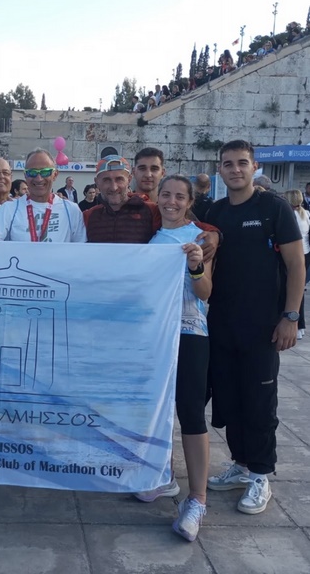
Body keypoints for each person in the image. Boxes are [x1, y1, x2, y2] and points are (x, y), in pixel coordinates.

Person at [206, 140, 305, 515]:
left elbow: (296, 265)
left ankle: (261, 474)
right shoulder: (215, 211)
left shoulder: (273, 208)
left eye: (242, 163)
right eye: (228, 164)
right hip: (221, 323)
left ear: (254, 167)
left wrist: (291, 316)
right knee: (230, 399)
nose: (235, 169)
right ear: (220, 170)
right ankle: (242, 465)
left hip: (263, 326)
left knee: (260, 402)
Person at [136, 175, 213, 542]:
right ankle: (163, 477)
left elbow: (205, 291)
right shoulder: (153, 238)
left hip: (191, 333)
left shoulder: (199, 237)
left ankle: (197, 500)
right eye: (165, 195)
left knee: (191, 413)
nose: (171, 201)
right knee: (159, 407)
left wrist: (196, 265)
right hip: (157, 335)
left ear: (189, 201)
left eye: (179, 196)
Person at [84, 154, 219, 261]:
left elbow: (187, 224)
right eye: (106, 180)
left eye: (119, 179)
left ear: (129, 180)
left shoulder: (150, 210)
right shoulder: (89, 216)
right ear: (97, 183)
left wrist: (214, 234)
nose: (114, 187)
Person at [0, 148, 86, 243]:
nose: (39, 178)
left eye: (45, 172)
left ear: (55, 175)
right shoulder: (9, 209)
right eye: (32, 173)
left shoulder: (71, 210)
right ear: (25, 175)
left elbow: (81, 251)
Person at [283, 190, 310, 338]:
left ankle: (296, 324)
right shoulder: (306, 214)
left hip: (294, 255)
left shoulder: (290, 216)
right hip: (306, 254)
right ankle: (301, 326)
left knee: (293, 290)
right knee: (299, 291)